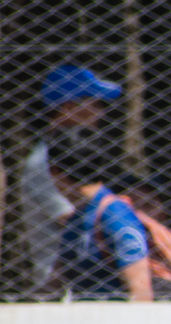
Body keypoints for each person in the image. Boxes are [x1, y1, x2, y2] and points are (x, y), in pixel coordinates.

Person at [23, 64, 123, 287]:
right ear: (68, 107)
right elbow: (72, 219)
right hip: (61, 283)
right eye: (95, 103)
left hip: (85, 275)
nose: (101, 112)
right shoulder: (42, 163)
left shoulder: (69, 156)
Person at [46, 128, 153, 301]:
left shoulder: (115, 216)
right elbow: (55, 283)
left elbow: (141, 293)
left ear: (54, 172)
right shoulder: (77, 218)